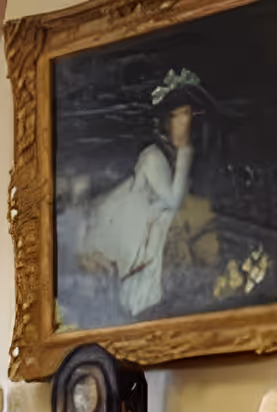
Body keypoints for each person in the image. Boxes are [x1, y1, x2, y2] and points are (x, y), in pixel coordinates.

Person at [74, 69, 208, 320]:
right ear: (167, 121)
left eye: (188, 115)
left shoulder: (169, 157)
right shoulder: (153, 156)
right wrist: (185, 154)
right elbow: (171, 202)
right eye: (178, 116)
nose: (184, 123)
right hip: (134, 230)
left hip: (148, 229)